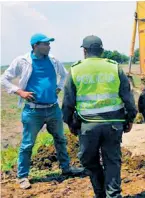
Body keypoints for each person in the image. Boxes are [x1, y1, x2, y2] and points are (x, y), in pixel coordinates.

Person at [1, 33, 84, 189]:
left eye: (49, 43)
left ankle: (66, 169)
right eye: (45, 44)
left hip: (52, 109)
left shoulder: (53, 60)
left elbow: (64, 75)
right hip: (33, 112)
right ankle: (23, 176)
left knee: (60, 139)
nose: (49, 46)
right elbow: (4, 79)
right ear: (35, 46)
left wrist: (59, 87)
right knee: (27, 144)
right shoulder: (22, 61)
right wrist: (20, 92)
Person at [62, 35, 137, 198]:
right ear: (102, 51)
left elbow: (68, 100)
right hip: (114, 124)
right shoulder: (114, 67)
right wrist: (130, 118)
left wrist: (69, 121)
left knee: (88, 160)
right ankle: (112, 194)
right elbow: (127, 95)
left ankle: (100, 193)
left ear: (84, 51)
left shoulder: (75, 69)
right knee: (112, 161)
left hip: (88, 125)